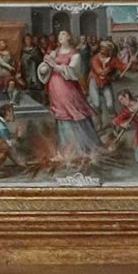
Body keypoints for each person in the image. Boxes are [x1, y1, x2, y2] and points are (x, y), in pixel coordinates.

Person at [36, 27, 101, 171]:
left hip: (68, 87)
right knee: (61, 115)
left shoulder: (75, 54)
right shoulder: (54, 52)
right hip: (55, 87)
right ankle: (65, 150)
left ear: (69, 37)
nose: (60, 36)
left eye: (63, 34)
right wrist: (44, 68)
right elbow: (45, 67)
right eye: (59, 34)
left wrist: (55, 66)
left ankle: (81, 148)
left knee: (73, 112)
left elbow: (72, 71)